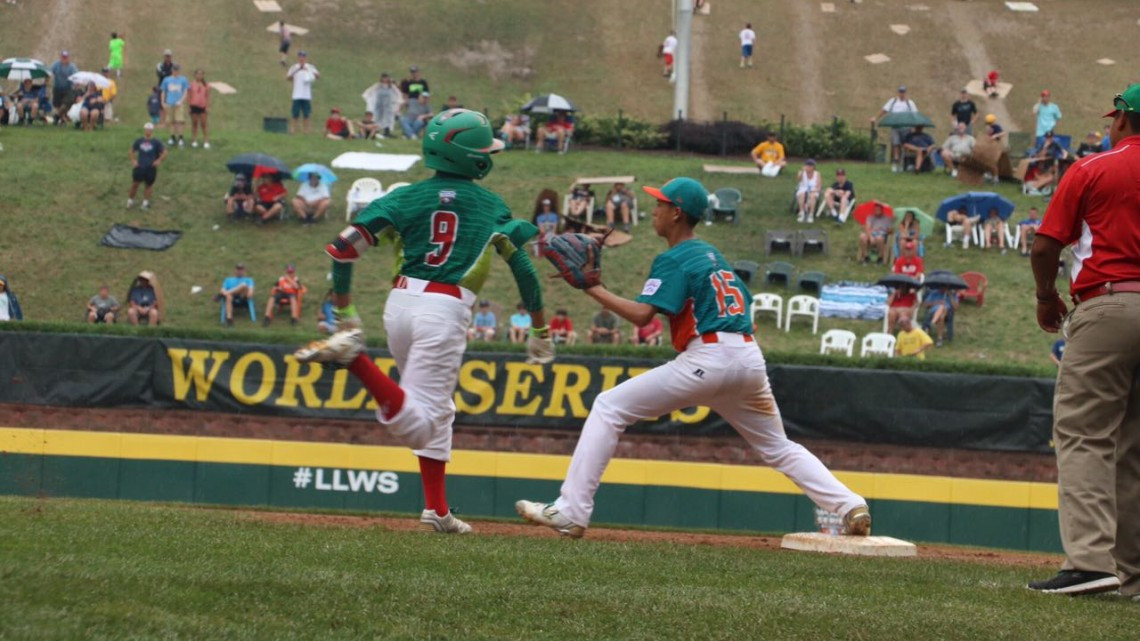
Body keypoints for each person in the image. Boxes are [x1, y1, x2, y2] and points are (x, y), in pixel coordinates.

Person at [515, 177, 872, 540]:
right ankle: (849, 505)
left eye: (660, 203)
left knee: (609, 406)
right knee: (779, 447)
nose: (654, 209)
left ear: (677, 213)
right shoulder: (714, 255)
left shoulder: (674, 257)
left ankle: (572, 511)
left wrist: (593, 288)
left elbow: (642, 316)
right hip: (747, 358)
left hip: (709, 358)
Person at [293, 108, 551, 535]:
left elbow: (342, 248)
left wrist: (344, 312)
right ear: (473, 157)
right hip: (443, 309)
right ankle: (355, 360)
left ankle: (437, 511)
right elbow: (523, 268)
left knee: (438, 411)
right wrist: (540, 329)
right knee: (419, 426)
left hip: (400, 305)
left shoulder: (405, 196)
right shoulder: (489, 204)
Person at [1027, 84, 1140, 597]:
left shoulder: (1095, 167)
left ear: (1122, 118)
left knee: (1084, 432)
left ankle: (1092, 561)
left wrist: (1046, 297)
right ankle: (1132, 575)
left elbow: (1046, 243)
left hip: (1111, 302)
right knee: (1132, 447)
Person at [872, 85, 918, 172]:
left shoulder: (910, 103)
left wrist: (915, 125)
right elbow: (884, 110)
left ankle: (903, 163)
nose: (902, 94)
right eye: (900, 92)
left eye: (903, 92)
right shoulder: (893, 101)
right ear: (898, 93)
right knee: (895, 144)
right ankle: (895, 162)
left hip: (906, 127)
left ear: (905, 93)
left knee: (905, 146)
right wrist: (876, 118)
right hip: (895, 127)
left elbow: (915, 114)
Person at [127, 122, 168, 210]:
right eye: (147, 129)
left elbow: (165, 152)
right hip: (140, 166)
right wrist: (133, 160)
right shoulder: (139, 141)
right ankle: (130, 201)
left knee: (149, 185)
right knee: (135, 184)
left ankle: (145, 203)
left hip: (151, 167)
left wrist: (159, 160)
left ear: (152, 131)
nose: (148, 131)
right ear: (144, 130)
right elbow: (131, 150)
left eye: (150, 130)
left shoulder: (156, 142)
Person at [1023, 131, 1069, 195]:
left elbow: (1063, 151)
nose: (1049, 139)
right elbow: (1038, 154)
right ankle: (1032, 189)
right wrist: (1044, 148)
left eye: (1050, 137)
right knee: (1049, 177)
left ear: (1052, 137)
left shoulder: (1055, 144)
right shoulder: (1035, 162)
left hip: (1049, 162)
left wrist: (1063, 156)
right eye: (1047, 137)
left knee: (1050, 175)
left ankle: (1047, 189)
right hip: (1030, 182)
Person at [286, 51, 319, 134]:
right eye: (300, 56)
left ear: (306, 58)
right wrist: (298, 69)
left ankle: (306, 131)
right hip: (296, 94)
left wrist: (307, 70)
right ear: (298, 57)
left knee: (306, 114)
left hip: (306, 95)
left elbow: (318, 75)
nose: (302, 58)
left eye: (303, 56)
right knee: (295, 114)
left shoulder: (310, 67)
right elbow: (288, 78)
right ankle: (293, 130)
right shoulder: (294, 67)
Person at [161, 64, 189, 146]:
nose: (175, 71)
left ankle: (180, 137)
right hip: (169, 102)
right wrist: (163, 102)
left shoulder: (183, 79)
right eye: (174, 70)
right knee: (171, 121)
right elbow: (163, 91)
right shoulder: (167, 80)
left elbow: (185, 91)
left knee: (180, 121)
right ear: (172, 70)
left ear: (179, 70)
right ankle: (172, 137)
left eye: (177, 70)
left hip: (179, 104)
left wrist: (181, 101)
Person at [369, 73, 403, 138]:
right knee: (378, 118)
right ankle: (375, 132)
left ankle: (387, 132)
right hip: (379, 105)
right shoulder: (378, 85)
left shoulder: (392, 86)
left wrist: (398, 103)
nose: (385, 79)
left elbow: (398, 93)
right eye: (384, 77)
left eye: (386, 77)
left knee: (388, 118)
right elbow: (370, 92)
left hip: (388, 105)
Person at [49, 51, 77, 124]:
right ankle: (61, 120)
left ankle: (56, 116)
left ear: (68, 58)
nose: (64, 59)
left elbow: (76, 76)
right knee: (57, 105)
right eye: (63, 57)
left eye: (66, 57)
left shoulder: (72, 67)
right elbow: (49, 71)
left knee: (65, 104)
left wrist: (76, 85)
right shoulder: (56, 64)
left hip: (68, 89)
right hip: (57, 88)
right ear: (61, 57)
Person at [187, 69, 211, 149]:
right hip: (194, 106)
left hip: (202, 106)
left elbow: (208, 96)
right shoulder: (191, 84)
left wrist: (207, 106)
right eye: (198, 74)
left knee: (204, 124)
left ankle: (206, 141)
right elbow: (189, 96)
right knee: (194, 124)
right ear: (195, 75)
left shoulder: (206, 85)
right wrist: (188, 106)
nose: (199, 76)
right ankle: (194, 140)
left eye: (201, 74)